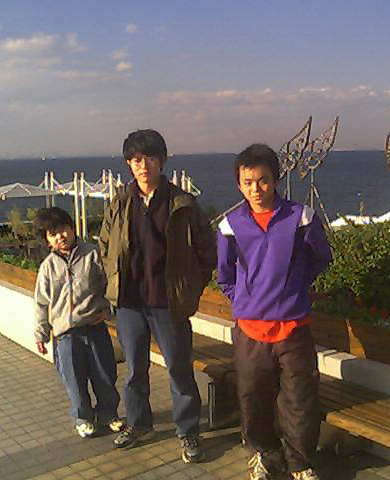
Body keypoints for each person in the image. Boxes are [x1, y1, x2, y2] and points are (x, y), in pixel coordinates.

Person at [99, 129, 216, 463]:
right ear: (128, 164)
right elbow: (105, 245)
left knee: (179, 370)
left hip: (168, 303)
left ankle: (188, 430)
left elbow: (207, 252)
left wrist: (190, 288)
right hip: (130, 302)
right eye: (136, 159)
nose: (143, 165)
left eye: (150, 158)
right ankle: (139, 424)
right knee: (135, 370)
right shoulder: (120, 202)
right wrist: (113, 281)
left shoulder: (183, 203)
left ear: (162, 161)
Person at [216, 144, 332, 480]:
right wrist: (244, 299)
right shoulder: (230, 225)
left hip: (293, 327)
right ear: (239, 184)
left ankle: (300, 462)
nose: (256, 189)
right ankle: (266, 454)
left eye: (263, 180)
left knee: (299, 398)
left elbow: (320, 257)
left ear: (276, 179)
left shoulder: (301, 217)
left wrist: (294, 286)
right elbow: (224, 274)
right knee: (253, 398)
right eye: (248, 182)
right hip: (250, 330)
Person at [33, 207, 123, 438]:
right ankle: (83, 418)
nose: (60, 236)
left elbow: (112, 285)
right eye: (53, 234)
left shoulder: (92, 254)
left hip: (95, 328)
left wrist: (109, 309)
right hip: (66, 335)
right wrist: (40, 334)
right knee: (74, 381)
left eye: (63, 229)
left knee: (105, 376)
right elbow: (41, 303)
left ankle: (108, 415)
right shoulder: (47, 267)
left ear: (72, 228)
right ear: (47, 240)